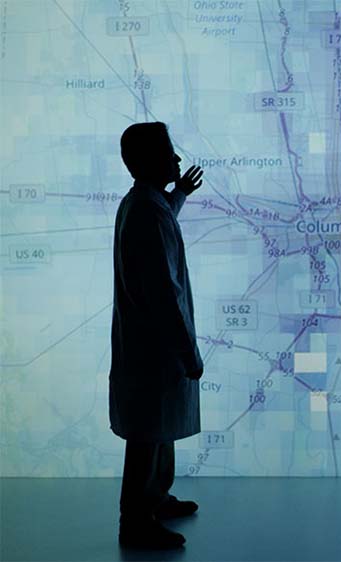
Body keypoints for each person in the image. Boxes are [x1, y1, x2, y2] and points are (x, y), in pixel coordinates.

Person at [109, 122, 205, 549]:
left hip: (150, 347)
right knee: (147, 434)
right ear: (147, 159)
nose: (177, 159)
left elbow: (164, 213)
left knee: (157, 428)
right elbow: (164, 293)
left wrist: (180, 193)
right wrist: (189, 351)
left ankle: (156, 498)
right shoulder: (146, 211)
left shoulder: (145, 203)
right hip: (156, 347)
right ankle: (135, 520)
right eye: (169, 151)